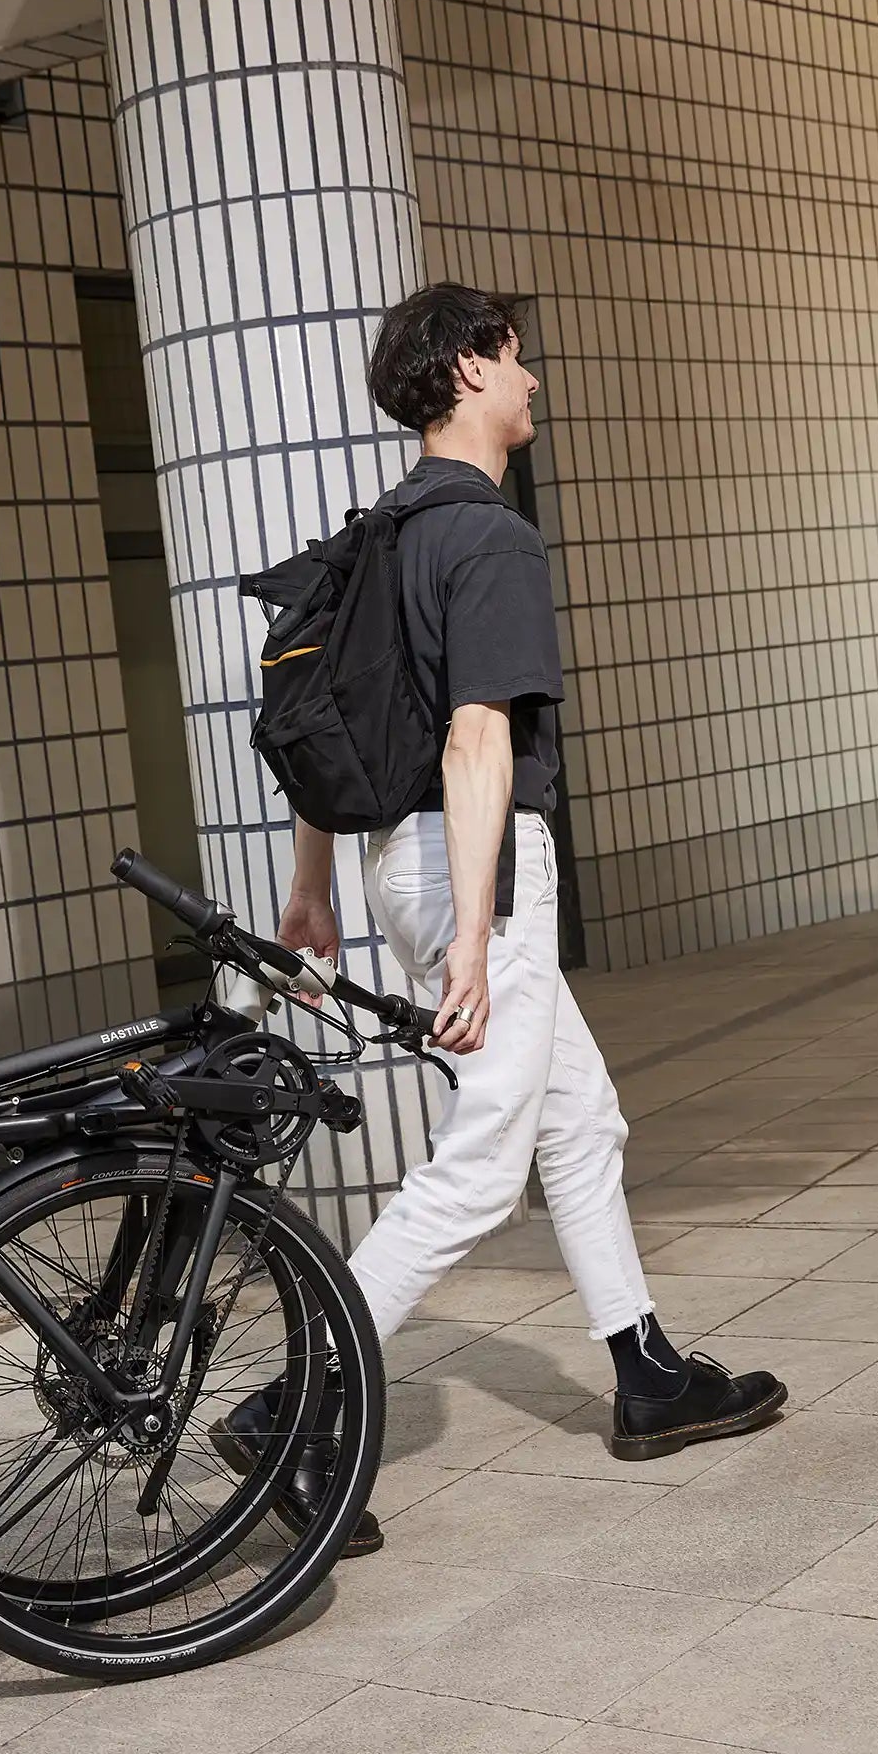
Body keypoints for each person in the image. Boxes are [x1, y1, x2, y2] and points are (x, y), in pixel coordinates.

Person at [214, 284, 786, 1556]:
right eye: (515, 359)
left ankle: (644, 1369)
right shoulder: (485, 535)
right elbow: (476, 735)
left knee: (584, 1116)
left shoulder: (382, 529)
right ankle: (292, 1408)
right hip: (480, 865)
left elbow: (341, 728)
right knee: (480, 1168)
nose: (531, 380)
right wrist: (477, 930)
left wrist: (312, 887)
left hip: (394, 857)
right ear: (469, 369)